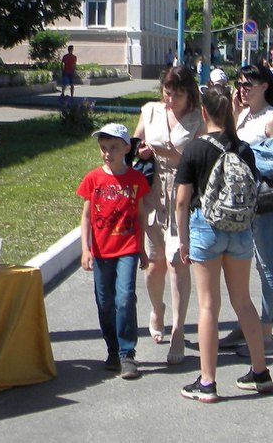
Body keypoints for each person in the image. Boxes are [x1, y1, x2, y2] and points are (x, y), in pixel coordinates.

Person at [175, 85, 273, 402]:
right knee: (243, 301)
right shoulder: (243, 148)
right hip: (240, 230)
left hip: (205, 228)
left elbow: (181, 201)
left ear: (203, 113)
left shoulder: (195, 149)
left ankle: (207, 382)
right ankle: (260, 373)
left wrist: (183, 240)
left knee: (208, 305)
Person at [132, 65, 204, 365]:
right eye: (167, 91)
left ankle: (178, 329)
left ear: (190, 94)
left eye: (178, 93)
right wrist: (142, 151)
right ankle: (157, 309)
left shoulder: (199, 118)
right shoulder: (149, 111)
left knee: (178, 264)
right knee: (154, 264)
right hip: (152, 196)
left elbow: (202, 155)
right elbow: (133, 146)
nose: (170, 98)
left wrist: (172, 154)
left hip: (183, 195)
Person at [77, 123, 151, 381]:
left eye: (114, 148)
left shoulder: (136, 179)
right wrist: (85, 248)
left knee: (124, 297)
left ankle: (127, 352)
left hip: (127, 248)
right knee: (105, 301)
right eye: (104, 148)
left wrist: (141, 248)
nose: (108, 152)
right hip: (101, 251)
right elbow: (86, 216)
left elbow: (141, 215)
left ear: (126, 148)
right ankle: (112, 349)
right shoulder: (93, 179)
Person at [225, 64, 273, 355]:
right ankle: (245, 324)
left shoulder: (272, 118)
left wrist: (247, 159)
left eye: (248, 84)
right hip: (240, 201)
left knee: (266, 267)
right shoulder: (243, 114)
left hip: (264, 203)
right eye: (240, 84)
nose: (242, 89)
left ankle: (266, 334)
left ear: (265, 86)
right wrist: (236, 114)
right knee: (241, 266)